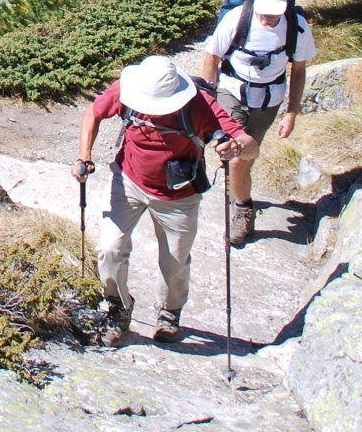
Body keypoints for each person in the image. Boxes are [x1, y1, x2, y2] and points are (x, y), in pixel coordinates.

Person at [74, 55, 254, 343]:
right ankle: (118, 307)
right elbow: (92, 113)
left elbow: (250, 146)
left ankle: (169, 313)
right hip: (129, 182)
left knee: (174, 261)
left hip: (179, 196)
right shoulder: (128, 90)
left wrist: (235, 147)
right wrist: (84, 155)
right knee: (109, 249)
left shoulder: (198, 105)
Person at [199, 0, 315, 245]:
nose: (268, 18)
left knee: (244, 160)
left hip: (268, 102)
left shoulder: (296, 26)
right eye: (264, 12)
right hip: (230, 92)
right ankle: (243, 210)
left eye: (274, 13)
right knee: (238, 156)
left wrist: (291, 112)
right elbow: (212, 57)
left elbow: (298, 70)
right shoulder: (237, 18)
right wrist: (208, 99)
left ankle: (238, 184)